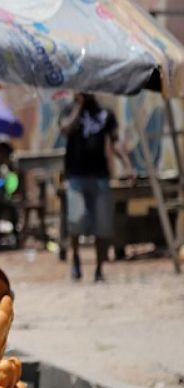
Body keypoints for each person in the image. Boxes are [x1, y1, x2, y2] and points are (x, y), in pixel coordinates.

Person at [59, 93, 135, 282]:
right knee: (76, 220)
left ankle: (99, 269)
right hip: (76, 176)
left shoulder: (105, 114)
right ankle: (76, 259)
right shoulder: (69, 110)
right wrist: (78, 106)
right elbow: (65, 129)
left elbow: (115, 140)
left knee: (103, 226)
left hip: (100, 176)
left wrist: (127, 164)